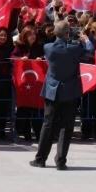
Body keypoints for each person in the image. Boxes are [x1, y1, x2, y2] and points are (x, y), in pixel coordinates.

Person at [30, 21, 85, 169]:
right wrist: (80, 39)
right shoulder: (75, 49)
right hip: (70, 91)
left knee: (48, 125)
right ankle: (61, 160)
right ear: (68, 33)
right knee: (66, 127)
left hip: (53, 91)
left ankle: (40, 159)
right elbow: (88, 50)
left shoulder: (48, 48)